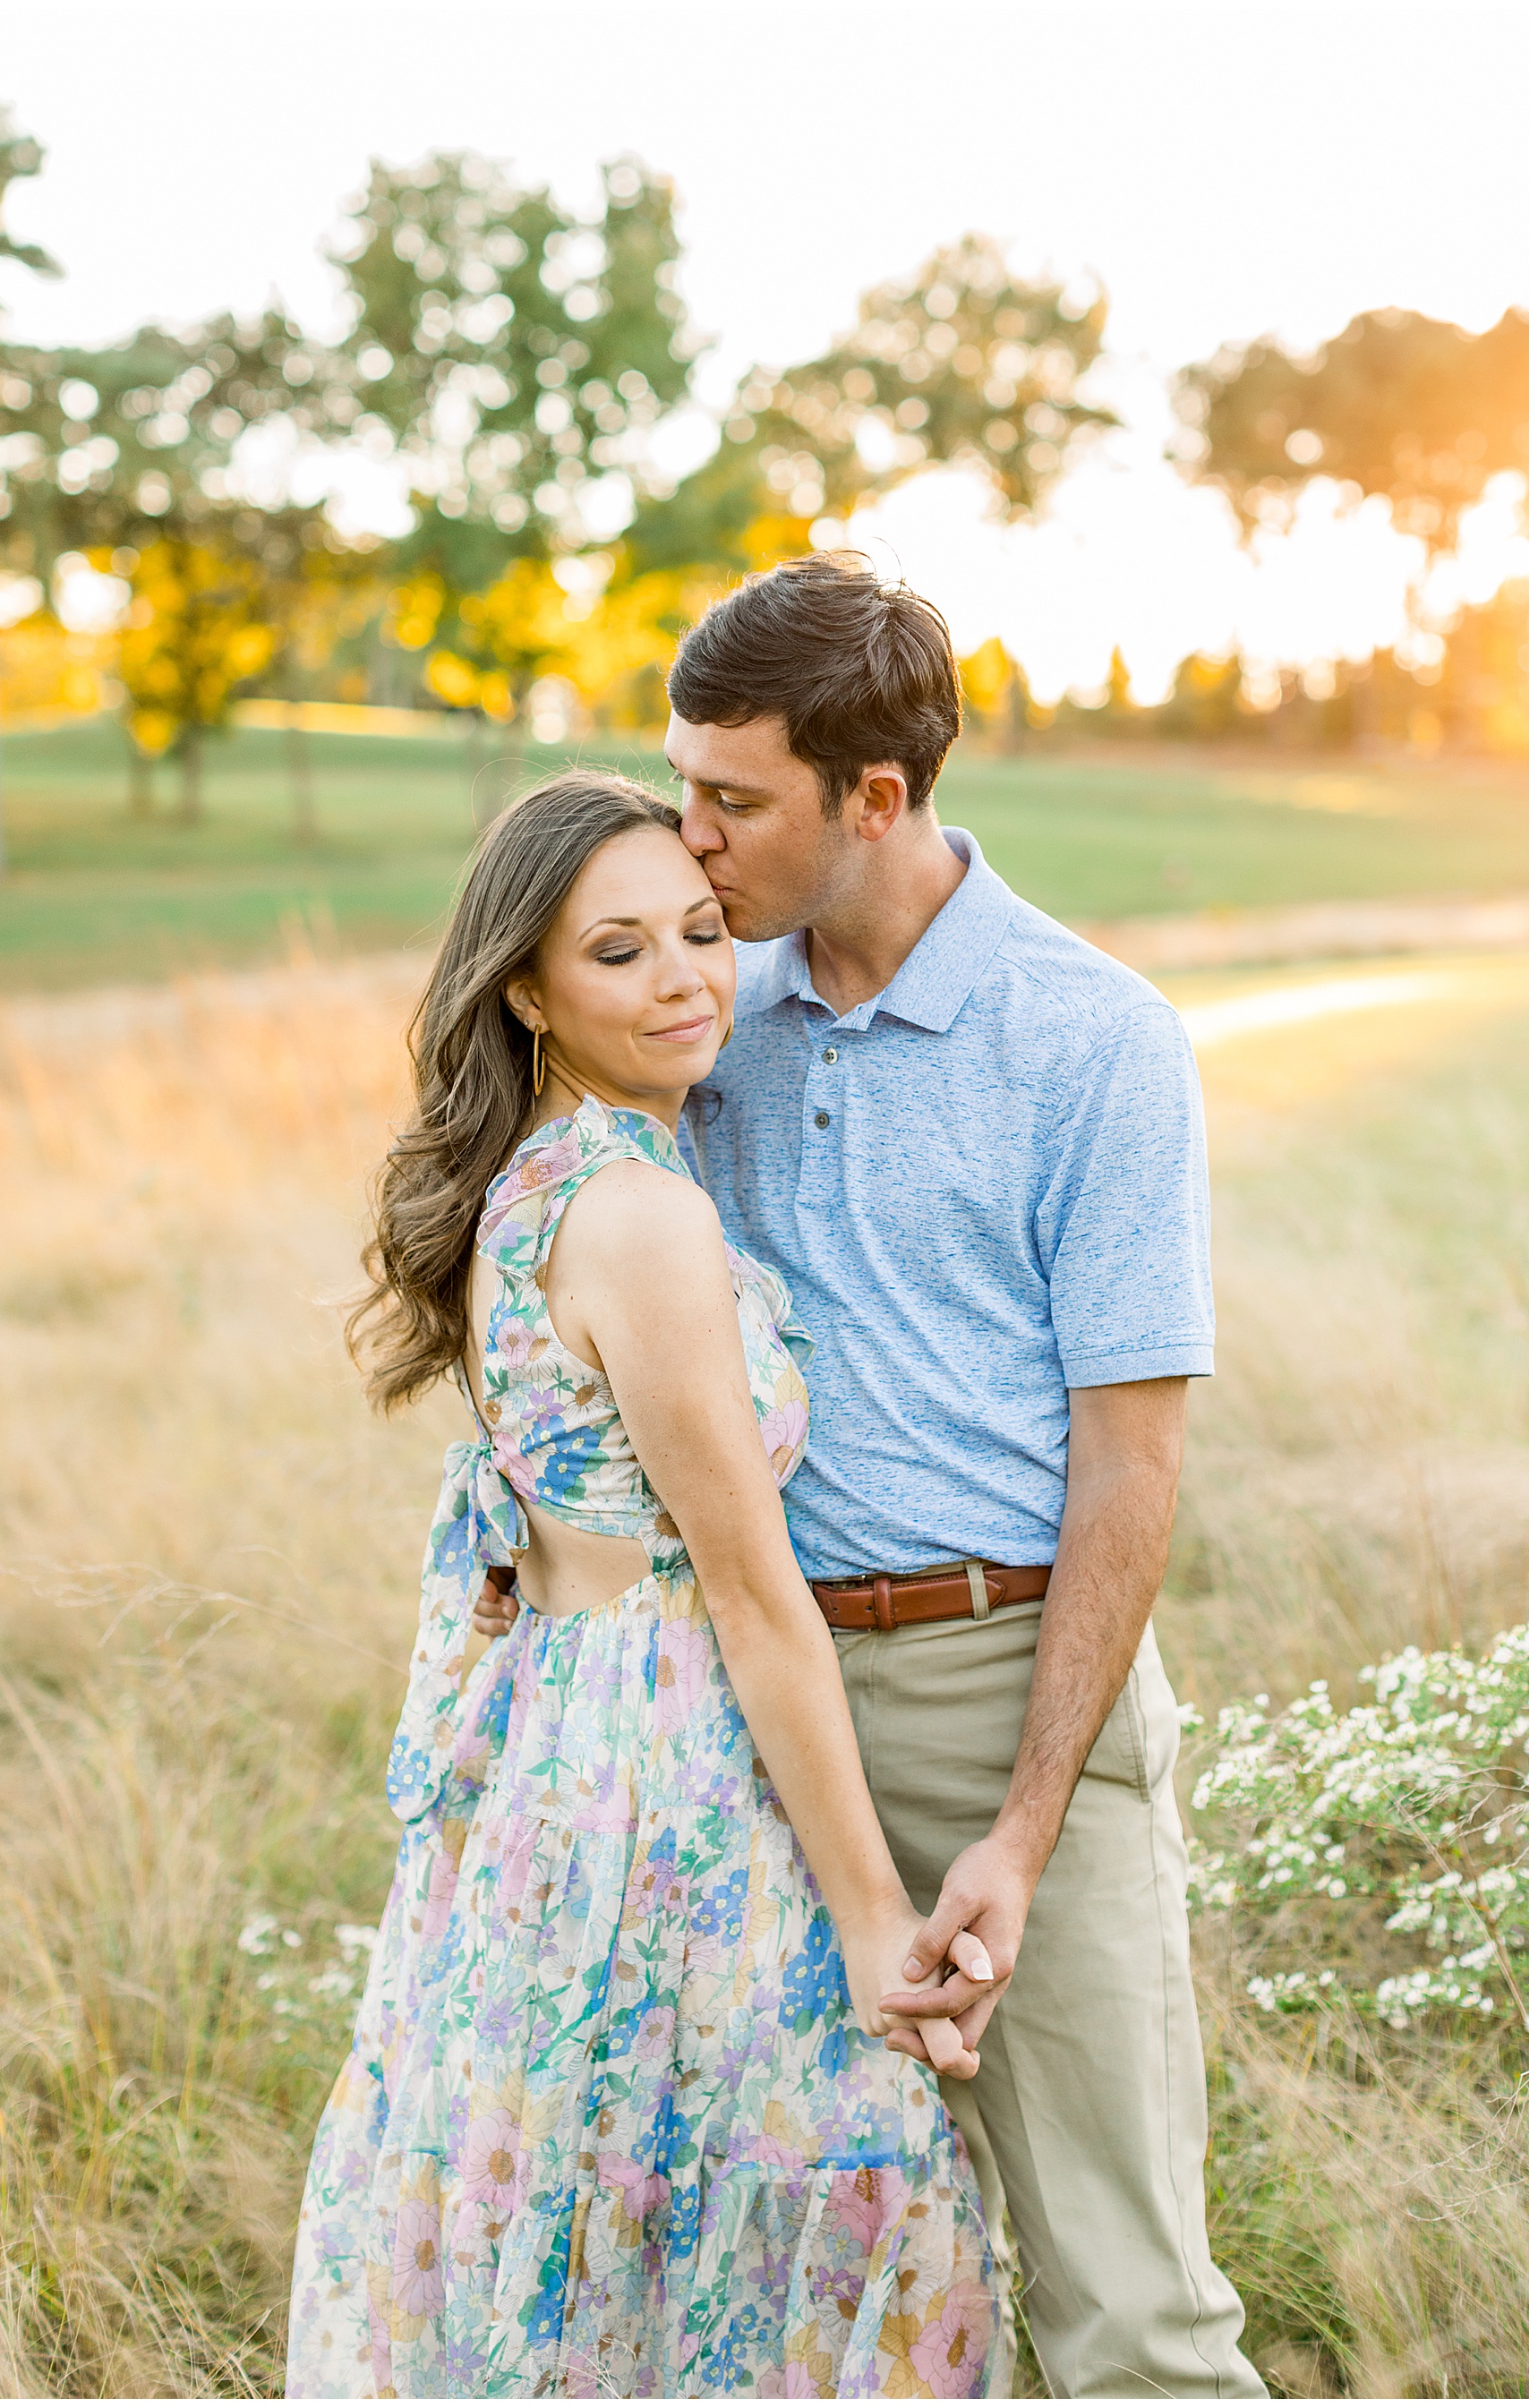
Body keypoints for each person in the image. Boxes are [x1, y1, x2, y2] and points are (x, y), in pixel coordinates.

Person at [478, 556, 1267, 2399]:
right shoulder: (695, 1000)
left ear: (878, 798)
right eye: (682, 783)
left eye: (732, 801)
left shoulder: (1097, 1044)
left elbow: (1132, 1471)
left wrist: (1021, 1824)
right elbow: (572, 1287)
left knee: (1122, 2304)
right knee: (789, 2298)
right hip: (724, 1720)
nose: (691, 840)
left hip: (1000, 1693)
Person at [286, 773, 1006, 2401]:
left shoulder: (521, 1187)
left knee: (585, 2206)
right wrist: (872, 1908)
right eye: (619, 952)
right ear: (526, 987)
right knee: (807, 2193)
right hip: (668, 1766)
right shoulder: (642, 1218)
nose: (687, 978)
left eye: (699, 931)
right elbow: (753, 1598)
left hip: (560, 1732)